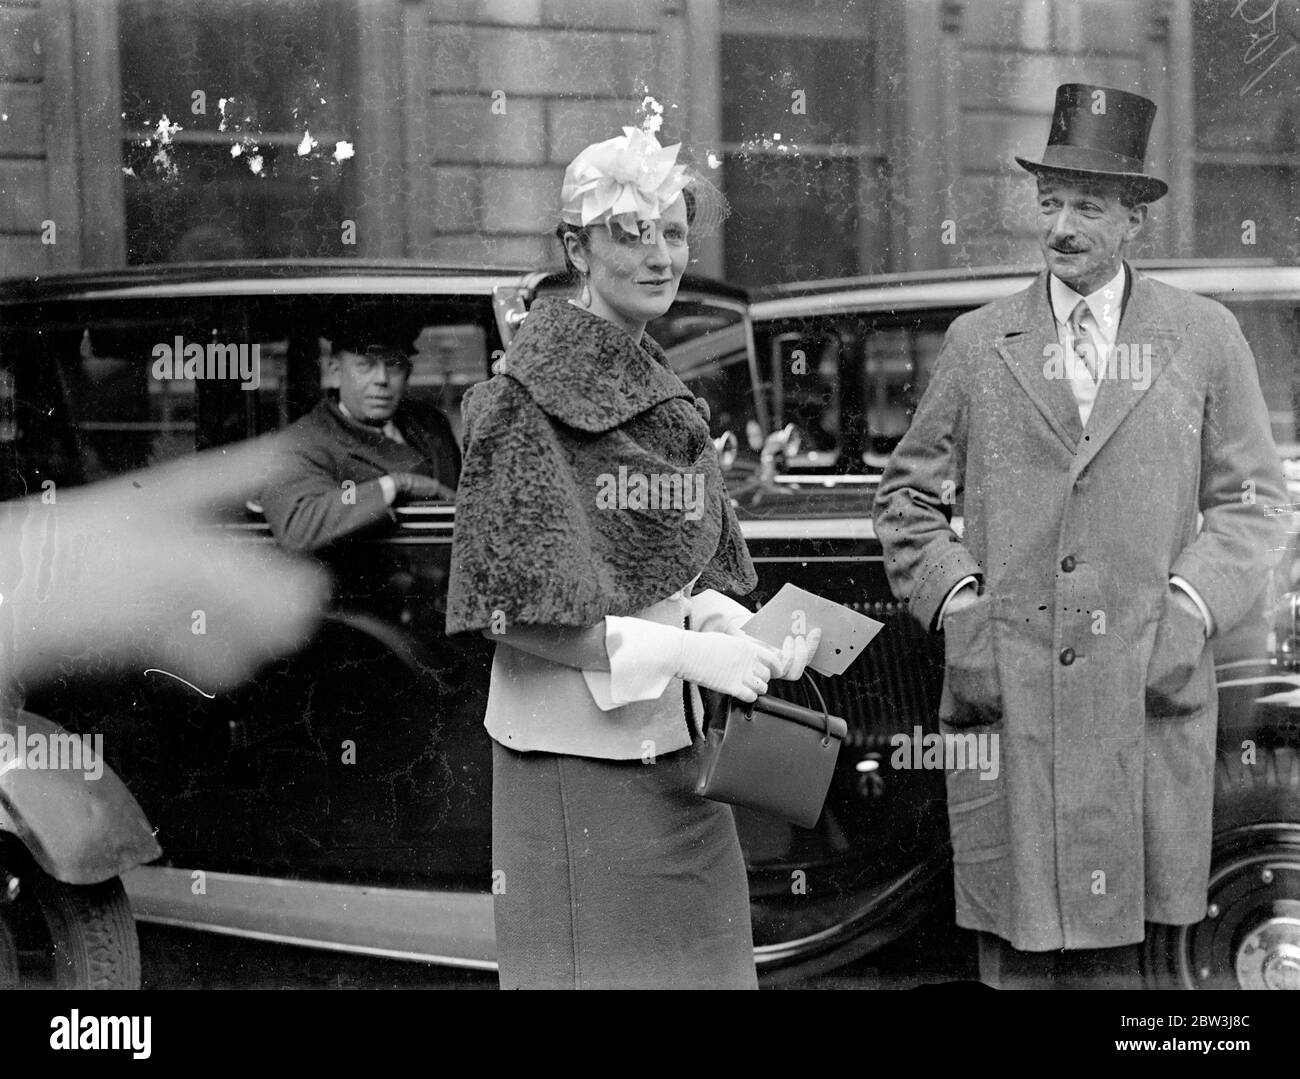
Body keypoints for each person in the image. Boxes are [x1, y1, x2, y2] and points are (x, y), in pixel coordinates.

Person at [873, 84, 1286, 989]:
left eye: (1089, 206)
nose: (1061, 226)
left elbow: (1256, 500)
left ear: (1136, 218)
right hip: (1011, 698)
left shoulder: (1204, 337)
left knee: (1131, 972)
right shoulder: (982, 343)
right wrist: (960, 605)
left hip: (1144, 696)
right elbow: (906, 497)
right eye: (1050, 201)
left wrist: (1187, 609)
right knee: (1019, 952)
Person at [446, 127, 821, 990]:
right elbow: (526, 618)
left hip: (685, 766)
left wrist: (737, 624)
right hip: (578, 777)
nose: (660, 257)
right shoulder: (518, 403)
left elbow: (677, 569)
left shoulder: (661, 388)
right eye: (630, 232)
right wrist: (697, 651)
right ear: (576, 246)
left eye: (674, 232)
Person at [261, 306, 461, 554]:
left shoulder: (431, 424)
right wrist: (396, 484)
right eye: (365, 365)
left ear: (408, 372)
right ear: (334, 372)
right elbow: (299, 522)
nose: (381, 379)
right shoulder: (302, 443)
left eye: (393, 364)